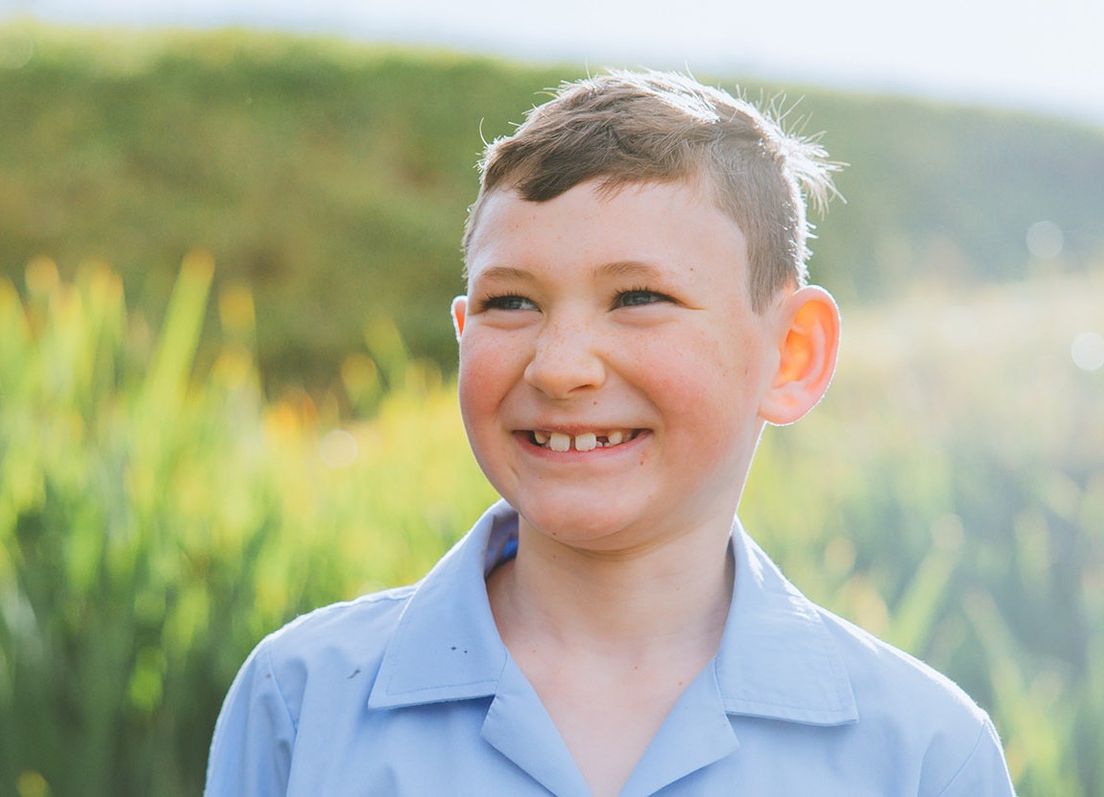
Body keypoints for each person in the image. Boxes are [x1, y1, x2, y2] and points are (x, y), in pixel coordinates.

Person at [205, 70, 1015, 796]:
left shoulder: (923, 757)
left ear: (792, 354)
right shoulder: (299, 700)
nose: (559, 368)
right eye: (510, 303)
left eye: (636, 298)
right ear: (462, 331)